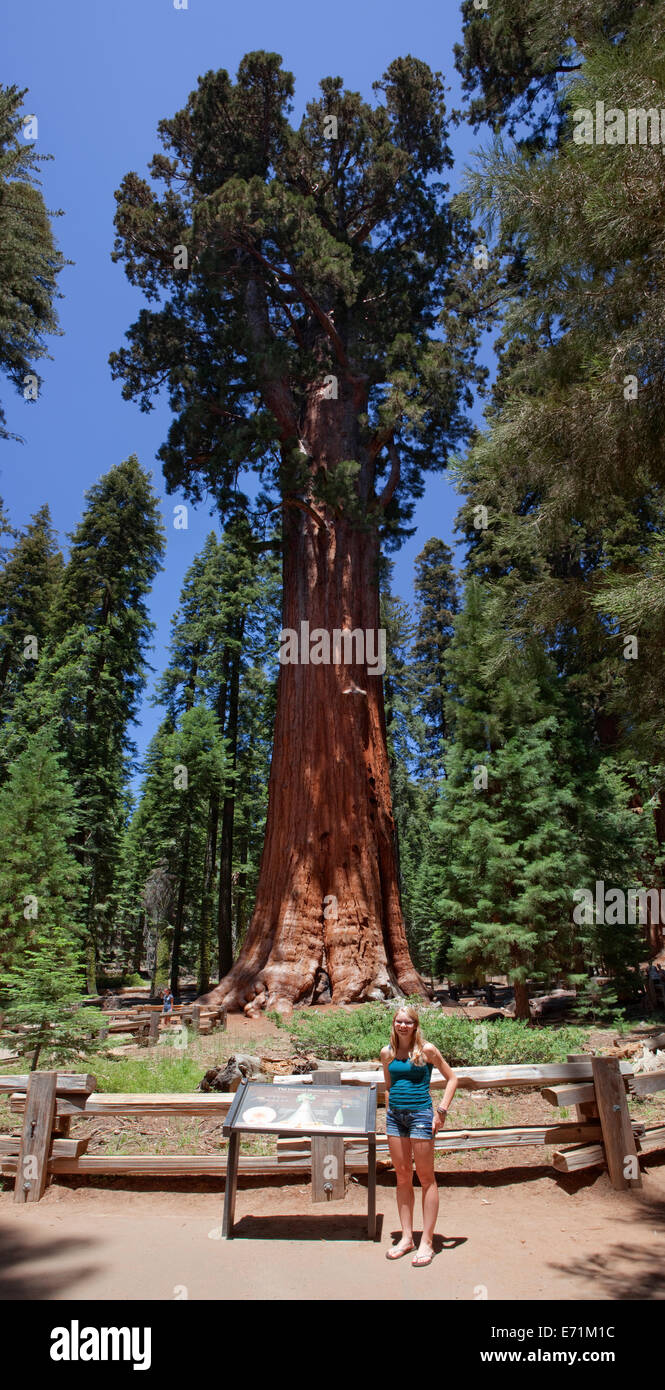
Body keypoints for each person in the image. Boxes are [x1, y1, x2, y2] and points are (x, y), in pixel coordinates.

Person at [381, 1005, 458, 1267]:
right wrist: (389, 1111)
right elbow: (388, 1086)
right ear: (394, 1024)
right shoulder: (387, 1053)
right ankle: (406, 1237)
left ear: (415, 1025)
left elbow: (452, 1078)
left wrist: (442, 1111)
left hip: (421, 1116)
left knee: (426, 1178)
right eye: (398, 1021)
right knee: (402, 1176)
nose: (402, 1025)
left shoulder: (426, 1050)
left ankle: (426, 1241)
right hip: (395, 1119)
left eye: (407, 1022)